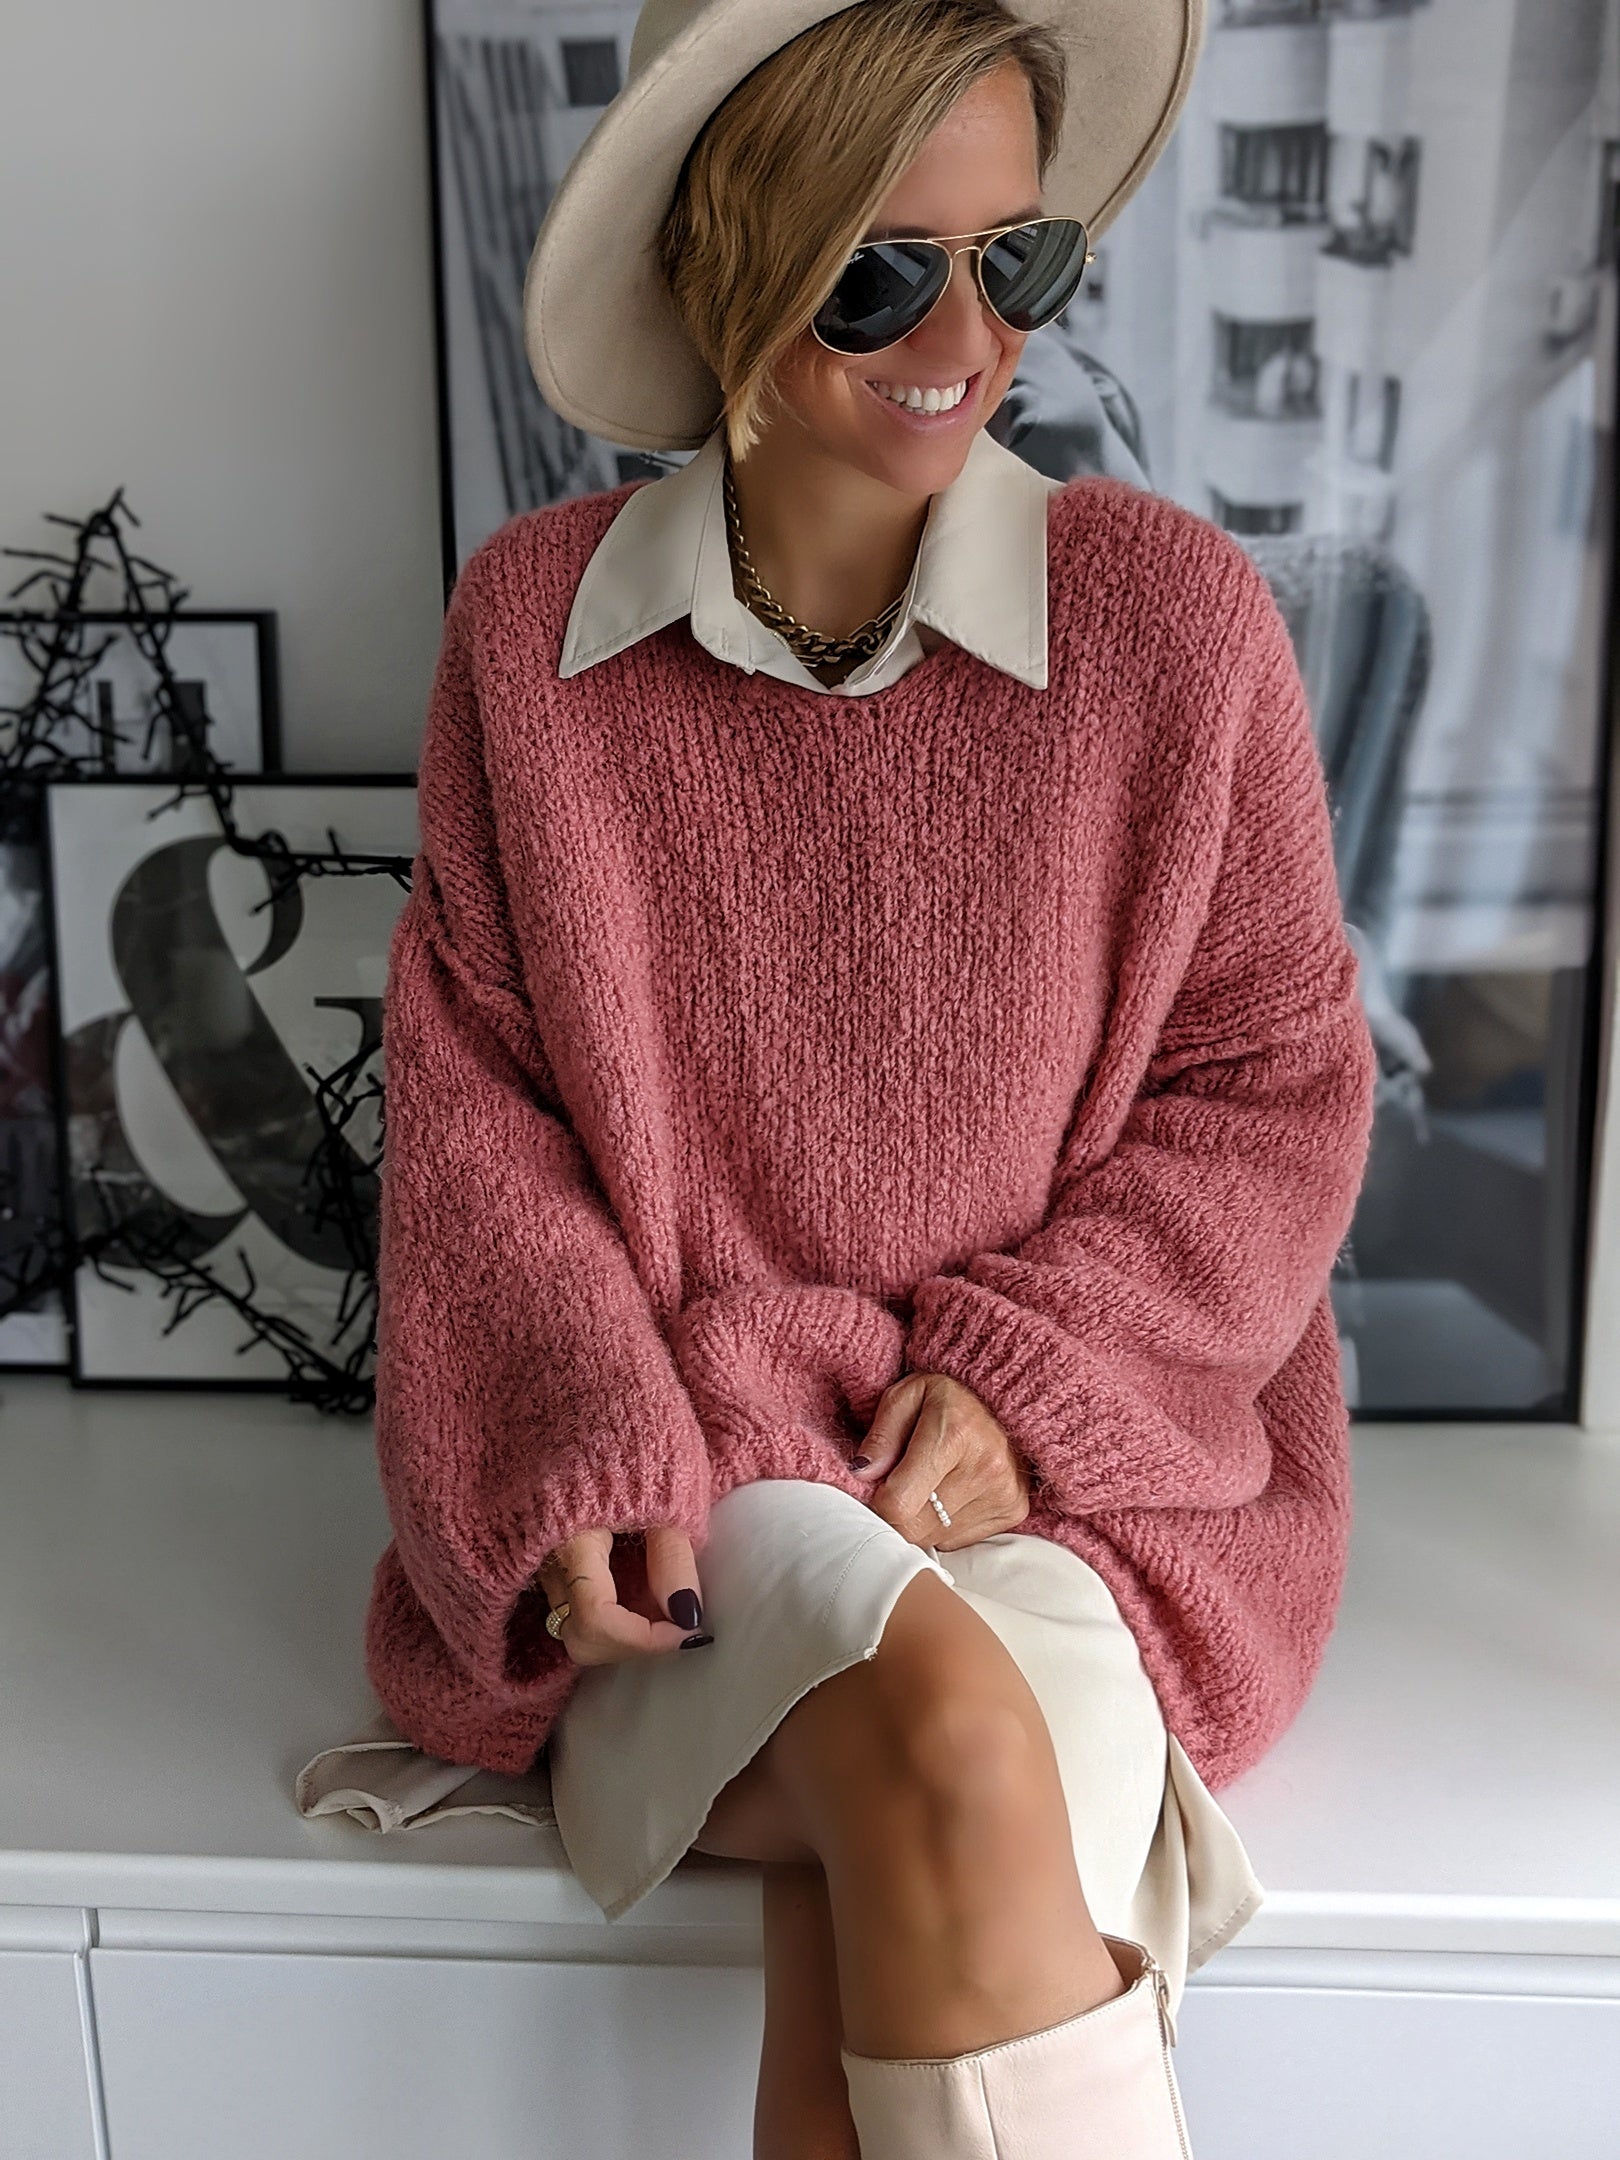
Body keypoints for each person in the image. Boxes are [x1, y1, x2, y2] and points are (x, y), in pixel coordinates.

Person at [332, 0, 1379, 2152]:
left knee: (900, 1824)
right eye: (882, 276)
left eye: (1022, 260)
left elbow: (1273, 1083)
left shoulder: (1174, 628)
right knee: (953, 1761)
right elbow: (479, 1115)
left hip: (1084, 1498)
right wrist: (582, 1446)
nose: (968, 341)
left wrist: (1034, 1388)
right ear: (731, 260)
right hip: (703, 1483)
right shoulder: (531, 641)